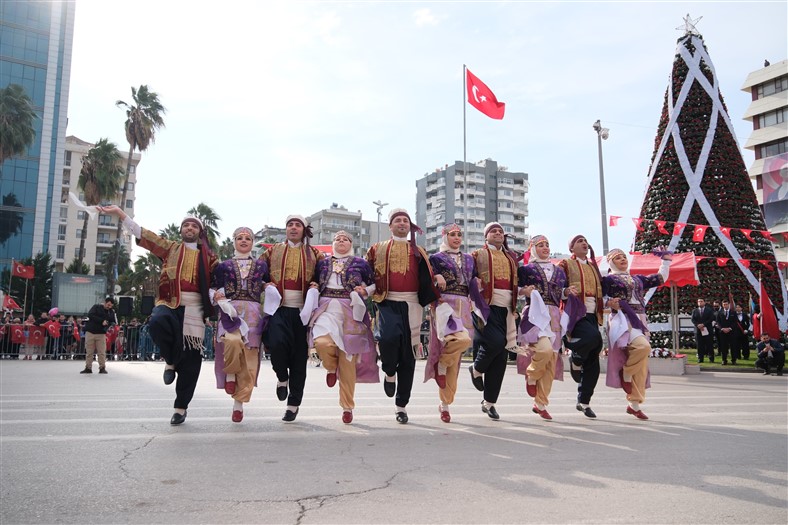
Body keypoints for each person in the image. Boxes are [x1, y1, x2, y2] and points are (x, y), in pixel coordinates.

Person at [99, 204, 218, 425]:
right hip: (169, 303)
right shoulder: (170, 248)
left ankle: (180, 408)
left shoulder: (210, 259)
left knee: (191, 362)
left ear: (200, 232)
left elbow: (222, 281)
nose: (190, 228)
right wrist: (119, 213)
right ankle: (171, 360)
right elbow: (143, 234)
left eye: (194, 226)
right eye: (186, 225)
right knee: (157, 322)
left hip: (195, 310)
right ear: (181, 230)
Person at [366, 208, 438, 424]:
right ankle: (389, 372)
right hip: (386, 301)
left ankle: (401, 406)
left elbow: (430, 274)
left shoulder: (419, 251)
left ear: (410, 226)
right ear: (390, 226)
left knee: (408, 356)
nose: (402, 223)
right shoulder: (376, 249)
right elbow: (364, 272)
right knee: (388, 339)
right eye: (397, 220)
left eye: (405, 220)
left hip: (413, 304)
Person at [306, 230, 378, 424]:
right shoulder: (322, 263)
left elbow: (373, 285)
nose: (341, 241)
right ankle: (330, 367)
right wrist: (313, 286)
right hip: (326, 307)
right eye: (337, 239)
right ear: (332, 243)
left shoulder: (360, 263)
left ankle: (347, 406)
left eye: (345, 239)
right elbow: (311, 279)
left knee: (348, 361)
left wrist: (365, 290)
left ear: (351, 244)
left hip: (350, 309)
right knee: (322, 343)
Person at [259, 215, 325, 422]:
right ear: (286, 229)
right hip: (279, 307)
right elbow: (257, 273)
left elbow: (324, 277)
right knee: (277, 344)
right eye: (290, 225)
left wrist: (316, 285)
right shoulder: (272, 251)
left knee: (298, 359)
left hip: (303, 312)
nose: (293, 228)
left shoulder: (316, 254)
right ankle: (281, 377)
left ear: (304, 230)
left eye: (298, 225)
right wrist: (265, 285)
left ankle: (293, 405)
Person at [602, 248, 672, 420]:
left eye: (624, 256)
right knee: (643, 347)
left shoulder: (637, 279)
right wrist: (609, 302)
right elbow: (598, 298)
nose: (622, 259)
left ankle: (634, 404)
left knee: (641, 363)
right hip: (621, 319)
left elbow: (660, 278)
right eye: (618, 258)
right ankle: (626, 372)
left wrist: (666, 261)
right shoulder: (608, 280)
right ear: (611, 262)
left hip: (639, 319)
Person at [517, 235, 578, 421]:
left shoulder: (559, 271)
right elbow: (516, 290)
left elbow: (562, 293)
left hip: (553, 314)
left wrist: (567, 292)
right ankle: (532, 374)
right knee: (543, 350)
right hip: (535, 312)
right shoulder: (526, 269)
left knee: (551, 358)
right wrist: (524, 291)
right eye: (540, 245)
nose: (545, 248)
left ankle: (541, 403)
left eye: (547, 245)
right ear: (533, 248)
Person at [212, 226, 268, 423]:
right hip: (231, 310)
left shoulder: (261, 266)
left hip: (253, 313)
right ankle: (230, 376)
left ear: (253, 243)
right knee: (232, 342)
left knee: (250, 361)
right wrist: (216, 296)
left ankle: (238, 405)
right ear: (234, 241)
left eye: (248, 238)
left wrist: (268, 286)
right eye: (240, 238)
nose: (244, 241)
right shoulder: (223, 266)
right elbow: (213, 288)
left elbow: (267, 284)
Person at [426, 224, 479, 423]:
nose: (457, 238)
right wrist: (435, 276)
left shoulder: (469, 259)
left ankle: (445, 403)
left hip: (464, 304)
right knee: (450, 343)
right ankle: (441, 367)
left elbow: (474, 281)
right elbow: (426, 279)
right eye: (452, 235)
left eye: (459, 235)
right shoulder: (435, 258)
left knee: (456, 356)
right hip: (444, 304)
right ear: (445, 236)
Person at [468, 222, 519, 421]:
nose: (498, 234)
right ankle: (477, 367)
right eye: (493, 231)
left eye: (500, 232)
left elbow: (519, 281)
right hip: (485, 307)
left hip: (507, 309)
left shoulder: (511, 258)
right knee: (496, 342)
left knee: (501, 357)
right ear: (485, 236)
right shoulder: (476, 255)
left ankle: (489, 403)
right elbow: (467, 276)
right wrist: (475, 282)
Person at [557, 235, 604, 418]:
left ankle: (584, 401)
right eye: (579, 241)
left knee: (594, 357)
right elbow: (555, 286)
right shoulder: (565, 264)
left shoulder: (593, 267)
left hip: (593, 314)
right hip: (575, 313)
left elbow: (603, 289)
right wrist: (565, 291)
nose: (584, 243)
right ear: (571, 248)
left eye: (585, 241)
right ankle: (575, 357)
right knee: (594, 339)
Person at [80, 297, 116, 374]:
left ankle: (102, 367)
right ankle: (88, 367)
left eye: (110, 306)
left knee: (102, 352)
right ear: (104, 302)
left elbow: (113, 321)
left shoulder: (111, 312)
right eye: (108, 304)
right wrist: (101, 321)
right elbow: (90, 315)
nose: (109, 307)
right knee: (89, 351)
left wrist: (108, 324)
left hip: (101, 333)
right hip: (90, 332)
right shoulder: (96, 307)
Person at [691, 298, 715, 363]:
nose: (700, 303)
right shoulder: (695, 311)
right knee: (699, 345)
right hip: (698, 330)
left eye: (701, 301)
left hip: (707, 329)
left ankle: (711, 358)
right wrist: (698, 325)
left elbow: (711, 318)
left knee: (709, 344)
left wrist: (703, 324)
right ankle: (700, 358)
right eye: (699, 301)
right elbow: (693, 319)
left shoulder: (709, 310)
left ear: (704, 302)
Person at [715, 299, 735, 365]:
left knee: (732, 346)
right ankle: (724, 360)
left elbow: (735, 322)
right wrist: (722, 328)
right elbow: (718, 322)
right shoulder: (719, 313)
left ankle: (733, 360)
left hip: (731, 332)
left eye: (726, 304)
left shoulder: (733, 312)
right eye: (724, 305)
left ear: (729, 304)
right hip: (722, 332)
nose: (725, 306)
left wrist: (729, 328)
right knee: (723, 347)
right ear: (722, 305)